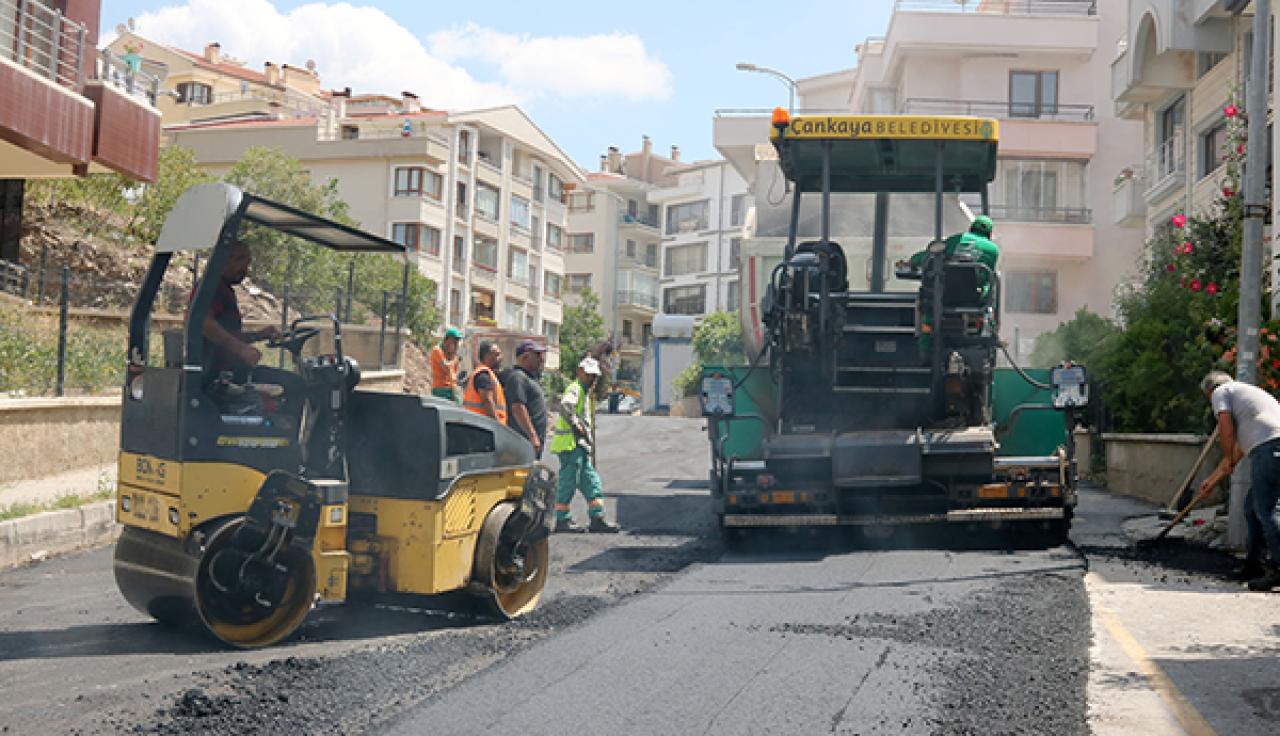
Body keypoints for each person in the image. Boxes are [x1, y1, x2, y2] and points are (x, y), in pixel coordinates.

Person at [1197, 371, 1280, 591]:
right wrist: (1212, 480)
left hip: (1270, 449)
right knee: (1252, 508)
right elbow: (1234, 458)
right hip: (1273, 447)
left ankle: (1278, 568)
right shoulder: (1250, 406)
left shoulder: (1221, 391)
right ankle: (1255, 565)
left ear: (1209, 390)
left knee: (1266, 510)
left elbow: (1225, 428)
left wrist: (1226, 453)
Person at [903, 215, 1001, 356]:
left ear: (970, 228)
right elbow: (986, 277)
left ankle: (925, 350)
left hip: (945, 296)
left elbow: (929, 256)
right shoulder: (992, 250)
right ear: (989, 234)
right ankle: (976, 342)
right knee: (987, 299)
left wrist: (912, 261)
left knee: (927, 309)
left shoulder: (954, 240)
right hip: (972, 299)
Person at [550, 357, 619, 533]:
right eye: (589, 375)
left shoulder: (584, 392)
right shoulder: (575, 388)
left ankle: (597, 517)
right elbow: (566, 406)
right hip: (570, 445)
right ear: (580, 372)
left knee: (590, 481)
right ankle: (562, 520)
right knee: (569, 481)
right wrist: (576, 425)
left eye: (594, 376)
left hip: (579, 446)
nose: (592, 379)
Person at [197, 240, 279, 381]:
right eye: (240, 259)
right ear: (222, 260)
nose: (245, 268)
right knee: (294, 384)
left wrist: (258, 335)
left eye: (247, 263)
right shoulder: (213, 288)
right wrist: (241, 349)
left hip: (228, 370)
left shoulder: (224, 289)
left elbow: (227, 334)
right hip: (217, 374)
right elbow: (204, 323)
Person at [502, 339, 549, 458]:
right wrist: (533, 436)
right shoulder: (518, 377)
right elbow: (518, 408)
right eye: (537, 355)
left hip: (530, 444)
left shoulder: (529, 378)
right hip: (524, 443)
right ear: (525, 357)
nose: (541, 359)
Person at [462, 341, 508, 423]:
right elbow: (487, 401)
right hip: (483, 426)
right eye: (497, 354)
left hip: (478, 424)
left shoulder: (484, 373)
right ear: (487, 356)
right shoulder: (483, 375)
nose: (501, 358)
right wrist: (498, 425)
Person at [429, 327, 463, 402]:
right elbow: (446, 368)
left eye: (457, 340)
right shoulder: (437, 350)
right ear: (448, 340)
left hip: (452, 389)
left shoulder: (452, 354)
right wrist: (453, 357)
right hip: (440, 389)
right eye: (454, 340)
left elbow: (454, 372)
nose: (456, 343)